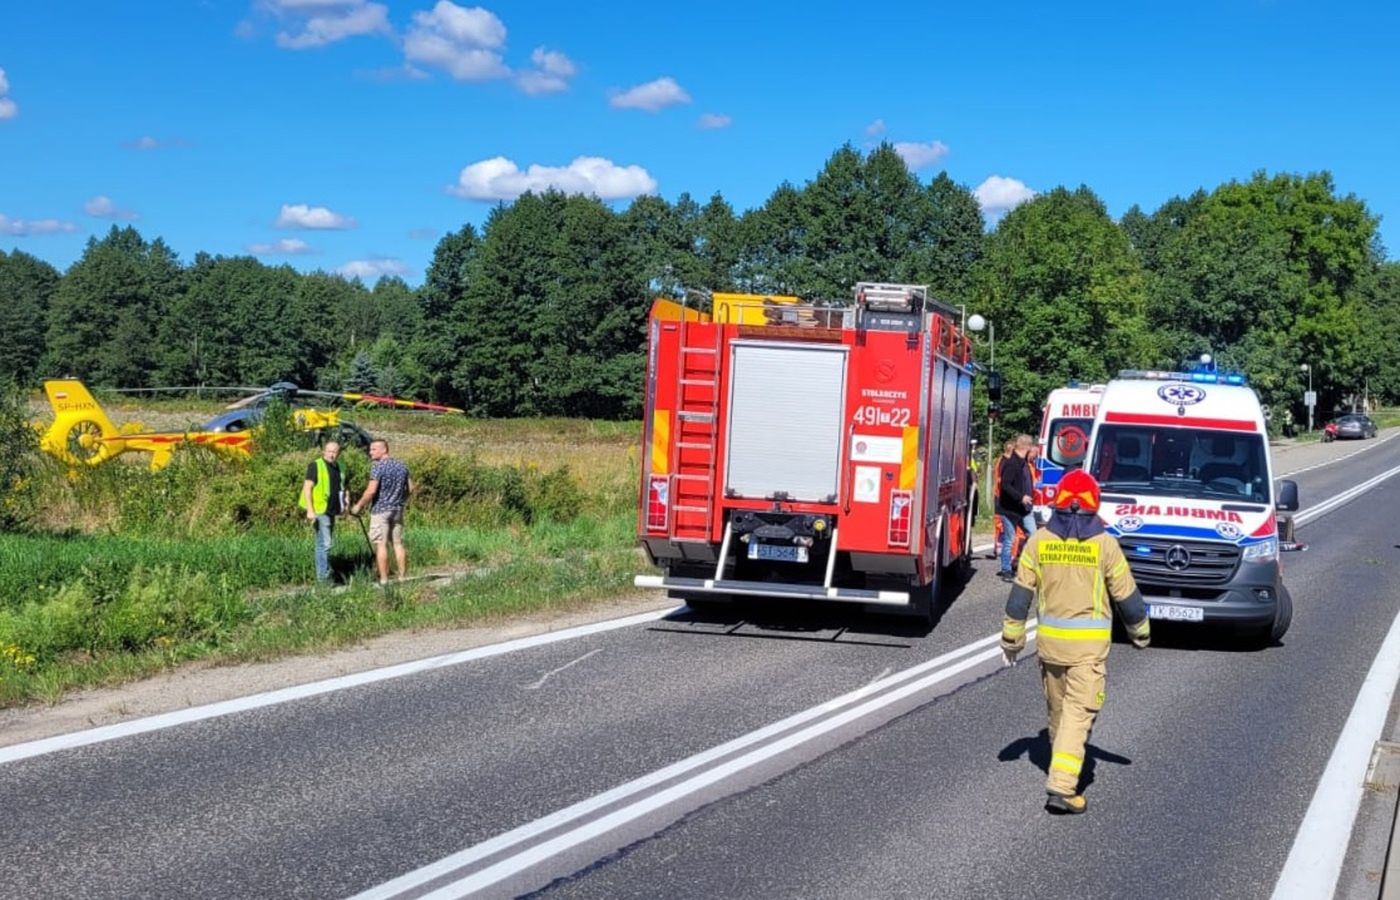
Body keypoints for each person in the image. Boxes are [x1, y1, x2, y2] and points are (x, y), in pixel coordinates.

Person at [1000, 469, 1151, 815]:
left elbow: (1020, 595)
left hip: (1050, 649)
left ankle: (1060, 763)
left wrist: (1012, 637)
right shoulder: (1104, 545)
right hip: (1087, 653)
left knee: (1058, 713)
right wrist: (1141, 632)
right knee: (1078, 714)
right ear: (1093, 504)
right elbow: (1127, 596)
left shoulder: (1039, 541)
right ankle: (1063, 785)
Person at [350, 439, 413, 585]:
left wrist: (358, 506)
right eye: (370, 449)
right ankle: (402, 577)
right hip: (397, 509)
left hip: (381, 511)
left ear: (384, 450)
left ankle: (384, 580)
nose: (370, 452)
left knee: (381, 544)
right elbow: (411, 488)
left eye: (373, 449)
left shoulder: (377, 467)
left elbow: (371, 491)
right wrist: (400, 500)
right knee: (397, 543)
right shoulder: (402, 466)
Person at [299, 441, 348, 583]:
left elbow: (344, 487)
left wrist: (346, 504)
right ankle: (323, 579)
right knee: (324, 544)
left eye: (335, 452)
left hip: (332, 510)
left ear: (339, 453)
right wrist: (310, 510)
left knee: (325, 543)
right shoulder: (316, 465)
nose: (332, 454)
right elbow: (307, 487)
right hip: (320, 510)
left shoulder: (341, 467)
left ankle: (325, 575)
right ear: (324, 452)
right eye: (330, 451)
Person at [996, 434, 1037, 580]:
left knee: (1033, 535)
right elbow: (1005, 485)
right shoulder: (1011, 463)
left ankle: (1022, 562)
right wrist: (1021, 497)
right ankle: (1006, 570)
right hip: (1010, 509)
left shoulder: (1024, 463)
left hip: (1024, 509)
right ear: (1027, 447)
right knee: (1009, 539)